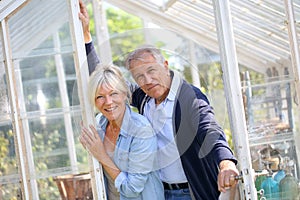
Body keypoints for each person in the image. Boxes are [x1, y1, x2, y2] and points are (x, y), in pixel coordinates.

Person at [79, 1, 240, 199]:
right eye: (139, 76)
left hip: (190, 192)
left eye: (151, 71)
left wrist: (226, 162)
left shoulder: (189, 98)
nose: (147, 81)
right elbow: (106, 83)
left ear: (165, 65)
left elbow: (210, 130)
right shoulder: (144, 97)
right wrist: (86, 36)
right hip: (160, 192)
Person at [79, 64, 164, 200]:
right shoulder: (99, 124)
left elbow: (132, 189)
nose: (108, 102)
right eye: (100, 97)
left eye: (113, 94)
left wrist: (101, 154)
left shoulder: (141, 130)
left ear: (124, 94)